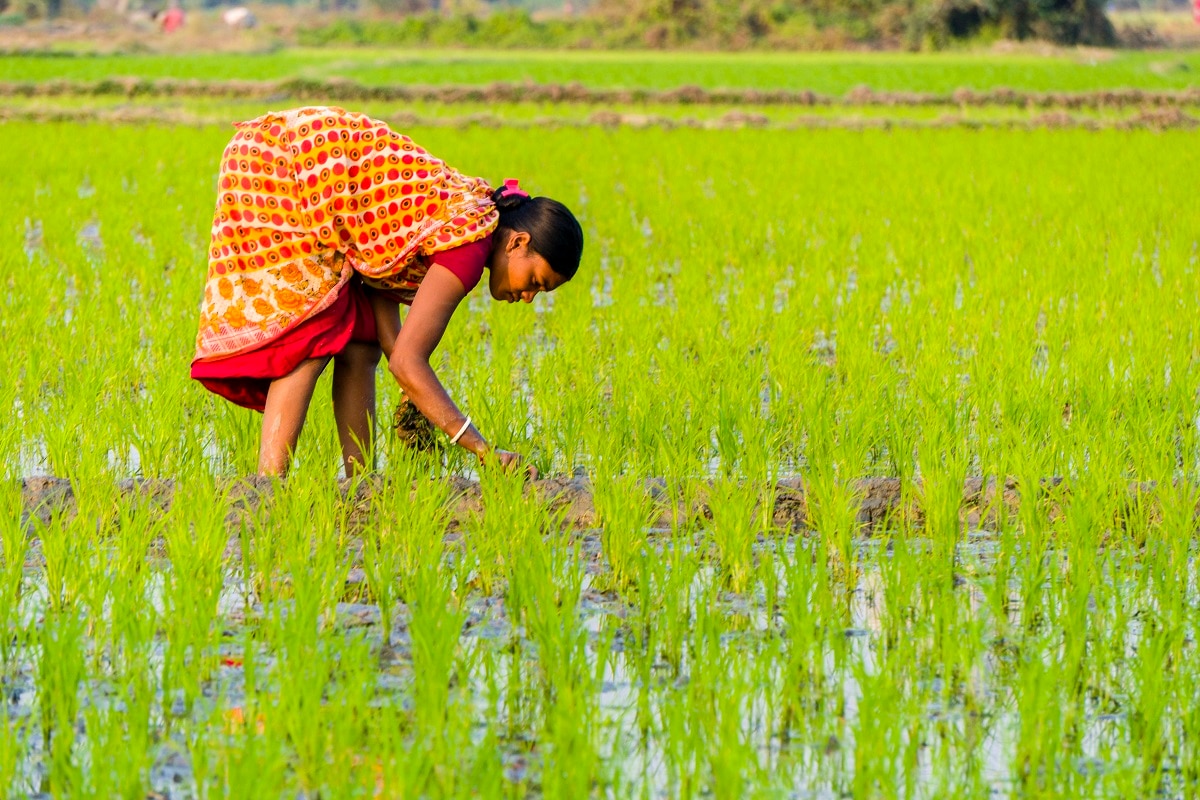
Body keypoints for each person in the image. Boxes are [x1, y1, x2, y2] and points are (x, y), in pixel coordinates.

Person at [190, 106, 583, 478]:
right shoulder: (468, 247)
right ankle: (269, 487)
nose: (528, 297)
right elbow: (409, 363)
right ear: (517, 243)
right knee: (311, 333)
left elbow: (387, 321)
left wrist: (419, 398)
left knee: (361, 344)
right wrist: (484, 451)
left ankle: (360, 483)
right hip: (284, 166)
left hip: (283, 156)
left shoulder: (465, 219)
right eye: (535, 281)